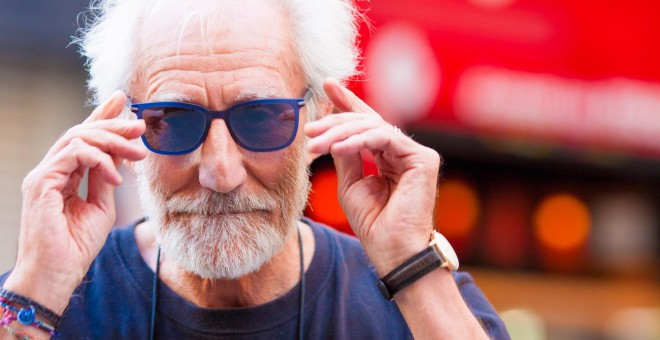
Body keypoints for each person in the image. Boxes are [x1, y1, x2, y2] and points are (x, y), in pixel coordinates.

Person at [0, 0, 509, 339]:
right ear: (119, 124)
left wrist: (411, 265)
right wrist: (38, 290)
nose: (220, 173)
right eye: (174, 120)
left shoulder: (420, 304)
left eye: (261, 117)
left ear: (321, 116)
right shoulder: (41, 302)